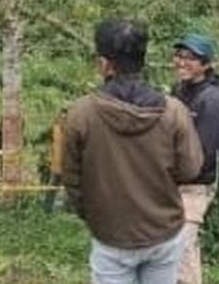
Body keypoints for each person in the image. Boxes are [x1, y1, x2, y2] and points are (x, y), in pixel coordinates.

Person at [63, 18, 204, 284]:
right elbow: (190, 169)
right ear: (142, 59)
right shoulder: (174, 112)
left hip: (111, 234)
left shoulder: (81, 114)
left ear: (104, 64)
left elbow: (72, 179)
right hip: (163, 232)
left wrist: (92, 214)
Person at [171, 33, 219, 284]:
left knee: (180, 246)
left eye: (190, 58)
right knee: (184, 251)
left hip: (196, 185)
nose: (181, 62)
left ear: (205, 65)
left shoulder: (212, 100)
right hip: (175, 182)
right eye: (179, 56)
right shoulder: (180, 91)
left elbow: (205, 153)